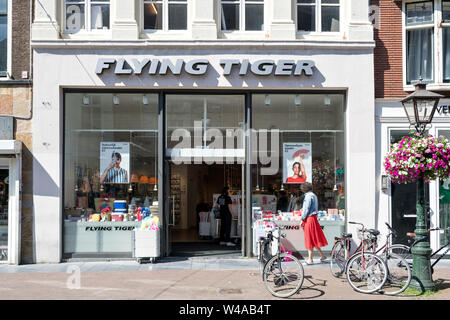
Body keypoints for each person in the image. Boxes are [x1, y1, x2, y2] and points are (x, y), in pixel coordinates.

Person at [300, 182, 328, 264]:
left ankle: (310, 259)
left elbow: (306, 209)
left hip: (309, 219)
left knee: (309, 238)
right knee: (314, 238)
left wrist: (302, 219)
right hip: (313, 218)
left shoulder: (308, 196)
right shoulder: (313, 195)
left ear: (304, 189)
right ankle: (322, 255)